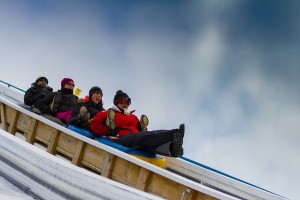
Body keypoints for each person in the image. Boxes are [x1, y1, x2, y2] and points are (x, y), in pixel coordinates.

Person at [90, 90, 185, 157]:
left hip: (133, 138)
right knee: (143, 136)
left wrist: (140, 126)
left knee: (149, 142)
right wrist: (108, 130)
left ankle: (173, 149)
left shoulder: (132, 117)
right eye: (124, 101)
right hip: (118, 138)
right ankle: (174, 134)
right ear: (117, 102)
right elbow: (94, 124)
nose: (126, 104)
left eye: (128, 101)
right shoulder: (108, 112)